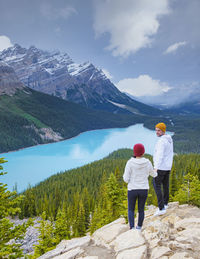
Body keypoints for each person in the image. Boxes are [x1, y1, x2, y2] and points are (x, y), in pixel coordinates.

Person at [123, 143, 157, 230]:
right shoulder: (148, 162)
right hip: (143, 189)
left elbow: (126, 179)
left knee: (131, 209)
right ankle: (139, 227)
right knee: (141, 209)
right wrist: (155, 171)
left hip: (132, 189)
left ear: (134, 152)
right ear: (143, 152)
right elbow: (154, 174)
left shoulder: (130, 162)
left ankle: (132, 228)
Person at [153, 122, 173, 216]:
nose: (157, 132)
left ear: (163, 131)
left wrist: (156, 167)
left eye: (159, 130)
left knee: (156, 184)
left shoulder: (161, 141)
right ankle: (165, 203)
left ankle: (161, 208)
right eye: (156, 130)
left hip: (160, 167)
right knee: (165, 185)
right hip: (167, 167)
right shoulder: (169, 139)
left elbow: (160, 155)